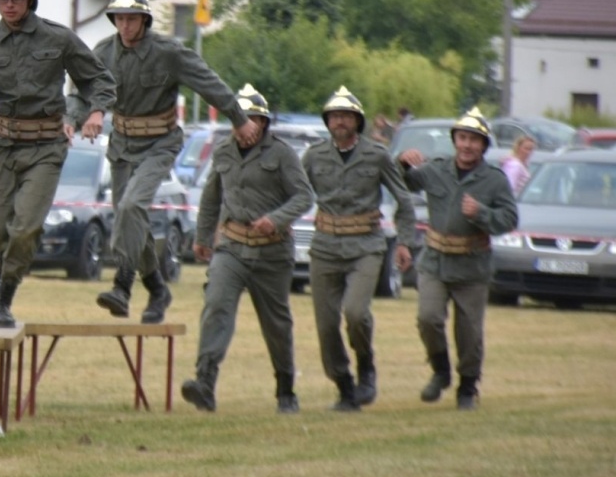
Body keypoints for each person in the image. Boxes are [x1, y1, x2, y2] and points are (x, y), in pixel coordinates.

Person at [0, 0, 116, 326]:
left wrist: (95, 113)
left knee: (26, 227)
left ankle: (4, 298)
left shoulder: (57, 38)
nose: (9, 5)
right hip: (3, 146)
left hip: (46, 147)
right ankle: (5, 262)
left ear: (30, 1)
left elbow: (98, 79)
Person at [94, 0, 258, 323]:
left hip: (160, 143)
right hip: (122, 146)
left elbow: (207, 81)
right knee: (129, 221)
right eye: (119, 19)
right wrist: (83, 114)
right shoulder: (103, 53)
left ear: (144, 20)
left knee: (130, 206)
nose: (125, 25)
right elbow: (83, 88)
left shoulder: (168, 52)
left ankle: (122, 285)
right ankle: (157, 289)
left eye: (132, 19)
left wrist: (239, 118)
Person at [183, 85, 313, 413]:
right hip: (232, 247)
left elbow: (303, 196)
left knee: (276, 323)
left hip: (272, 251)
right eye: (240, 119)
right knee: (216, 306)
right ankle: (205, 383)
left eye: (253, 120)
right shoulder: (223, 152)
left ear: (264, 123)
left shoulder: (282, 154)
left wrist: (277, 219)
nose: (246, 127)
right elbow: (212, 196)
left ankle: (286, 390)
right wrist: (201, 238)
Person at [301, 87, 417, 411]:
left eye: (346, 116)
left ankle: (366, 364)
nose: (340, 121)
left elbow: (403, 200)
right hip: (324, 246)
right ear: (327, 121)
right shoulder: (314, 156)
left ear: (357, 121)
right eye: (334, 116)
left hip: (366, 245)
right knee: (325, 325)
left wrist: (405, 242)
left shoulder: (376, 155)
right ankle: (344, 386)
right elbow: (294, 192)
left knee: (355, 312)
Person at [398, 108, 518, 410]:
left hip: (472, 265)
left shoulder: (494, 180)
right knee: (428, 318)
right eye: (462, 138)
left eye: (474, 140)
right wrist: (402, 161)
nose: (467, 145)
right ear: (455, 141)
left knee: (469, 332)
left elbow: (509, 219)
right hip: (435, 262)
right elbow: (405, 182)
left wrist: (481, 213)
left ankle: (467, 386)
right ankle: (440, 371)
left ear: (483, 145)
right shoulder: (437, 169)